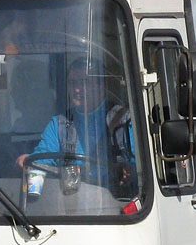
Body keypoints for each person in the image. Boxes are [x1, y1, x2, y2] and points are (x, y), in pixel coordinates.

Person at [16, 61, 134, 195]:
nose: (77, 89)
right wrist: (29, 161)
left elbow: (140, 168)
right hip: (71, 203)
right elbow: (42, 160)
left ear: (102, 86)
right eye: (73, 83)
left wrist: (128, 170)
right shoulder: (59, 124)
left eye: (85, 82)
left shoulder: (123, 120)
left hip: (115, 203)